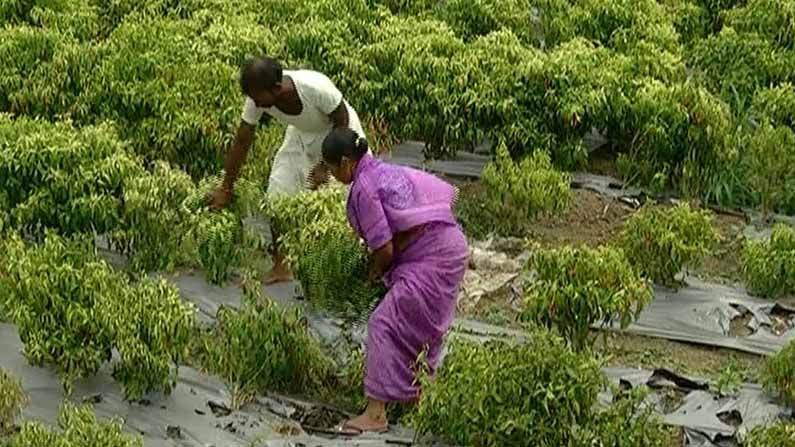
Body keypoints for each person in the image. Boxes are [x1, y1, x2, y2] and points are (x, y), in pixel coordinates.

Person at [320, 128, 469, 435]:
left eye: (332, 168)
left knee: (383, 323)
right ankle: (422, 398)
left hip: (433, 256)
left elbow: (384, 248)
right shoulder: (380, 170)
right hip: (448, 246)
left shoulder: (363, 187)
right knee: (417, 325)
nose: (332, 175)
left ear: (346, 162)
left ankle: (376, 413)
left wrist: (374, 272)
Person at [209, 56, 367, 284]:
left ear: (276, 88)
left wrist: (325, 166)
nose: (254, 102)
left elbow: (341, 120)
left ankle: (347, 268)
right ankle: (282, 265)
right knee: (277, 193)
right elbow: (243, 140)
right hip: (301, 136)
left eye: (257, 97)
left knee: (346, 203)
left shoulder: (315, 87)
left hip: (340, 138)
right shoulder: (257, 98)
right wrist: (226, 186)